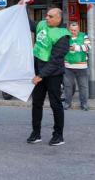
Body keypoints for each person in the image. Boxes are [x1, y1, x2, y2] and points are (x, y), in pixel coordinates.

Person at [28, 8, 69, 146]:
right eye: (47, 15)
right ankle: (36, 133)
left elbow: (55, 61)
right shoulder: (42, 25)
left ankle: (58, 135)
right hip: (39, 72)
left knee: (55, 104)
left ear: (58, 18)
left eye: (50, 16)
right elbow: (28, 24)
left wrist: (41, 75)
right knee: (36, 103)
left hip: (53, 75)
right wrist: (22, 7)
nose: (47, 18)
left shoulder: (63, 35)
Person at [62, 21, 91, 111]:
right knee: (67, 86)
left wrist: (76, 47)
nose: (73, 32)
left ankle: (84, 104)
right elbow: (61, 47)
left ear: (78, 29)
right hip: (68, 66)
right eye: (71, 30)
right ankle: (67, 103)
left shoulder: (84, 36)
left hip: (81, 66)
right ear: (69, 29)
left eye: (75, 30)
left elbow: (88, 47)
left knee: (83, 86)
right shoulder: (66, 36)